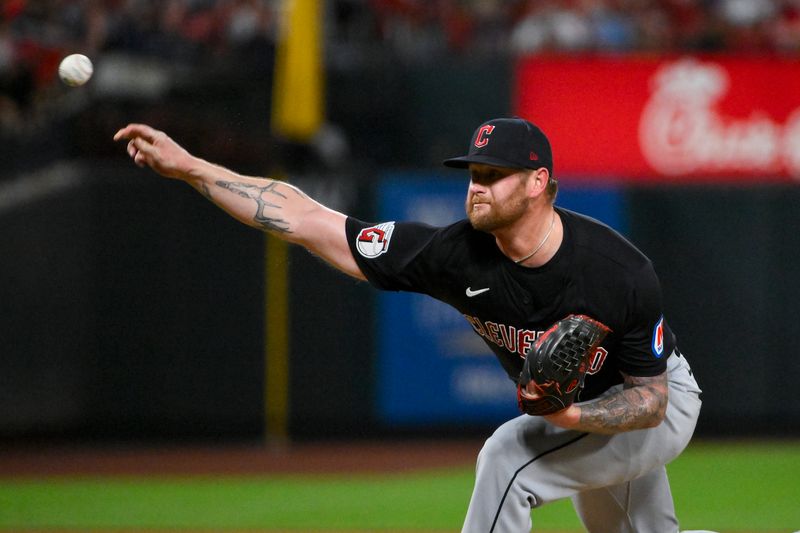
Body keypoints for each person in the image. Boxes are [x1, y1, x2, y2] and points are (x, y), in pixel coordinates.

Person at [114, 117, 702, 532]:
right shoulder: (453, 253)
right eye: (474, 170)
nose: (477, 184)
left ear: (538, 182)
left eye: (495, 173)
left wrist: (568, 416)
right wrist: (190, 167)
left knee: (508, 458)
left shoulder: (616, 271)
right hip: (582, 415)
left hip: (655, 403)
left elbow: (649, 399)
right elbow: (309, 220)